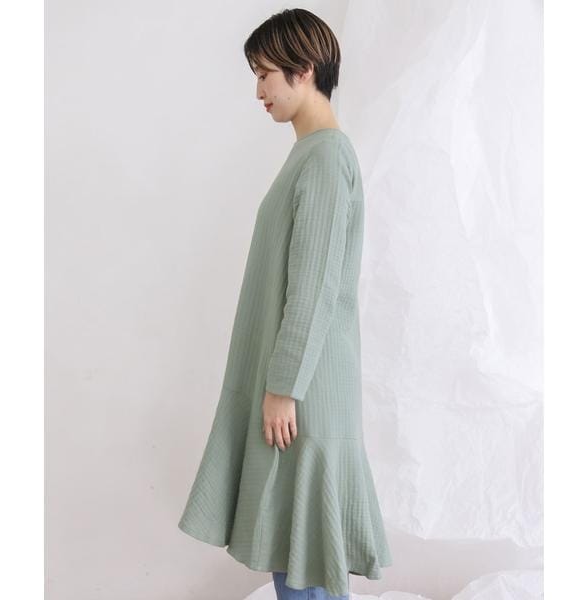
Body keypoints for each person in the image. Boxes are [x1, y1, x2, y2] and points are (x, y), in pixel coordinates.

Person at [178, 8, 392, 599]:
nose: (258, 92)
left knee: (302, 558)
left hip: (305, 391)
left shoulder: (325, 156)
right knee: (295, 549)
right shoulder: (310, 154)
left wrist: (283, 386)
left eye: (264, 74)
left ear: (304, 70)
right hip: (298, 387)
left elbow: (314, 285)